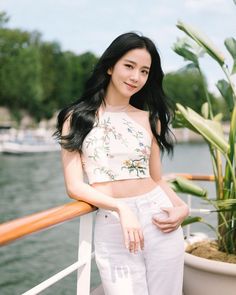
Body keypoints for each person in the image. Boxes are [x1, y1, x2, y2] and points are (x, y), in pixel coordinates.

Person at [55, 32, 189, 295]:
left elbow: (156, 178)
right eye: (129, 66)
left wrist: (182, 207)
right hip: (114, 222)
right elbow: (74, 186)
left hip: (159, 217)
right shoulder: (76, 117)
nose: (135, 77)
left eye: (144, 71)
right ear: (110, 66)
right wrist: (120, 208)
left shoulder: (150, 119)